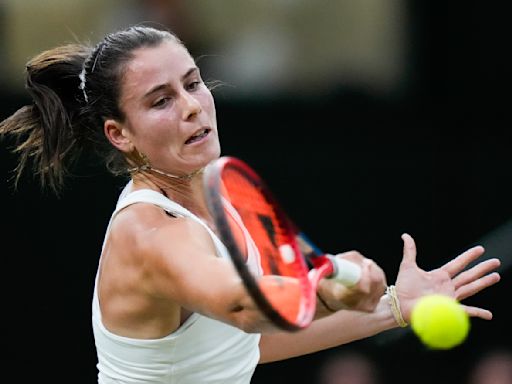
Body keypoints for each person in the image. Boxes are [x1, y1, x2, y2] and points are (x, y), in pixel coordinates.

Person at [0, 25, 501, 384]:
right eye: (160, 101)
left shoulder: (217, 199)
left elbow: (244, 348)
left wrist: (394, 307)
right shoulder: (151, 233)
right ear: (120, 134)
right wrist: (326, 287)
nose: (193, 105)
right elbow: (241, 306)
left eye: (192, 83)